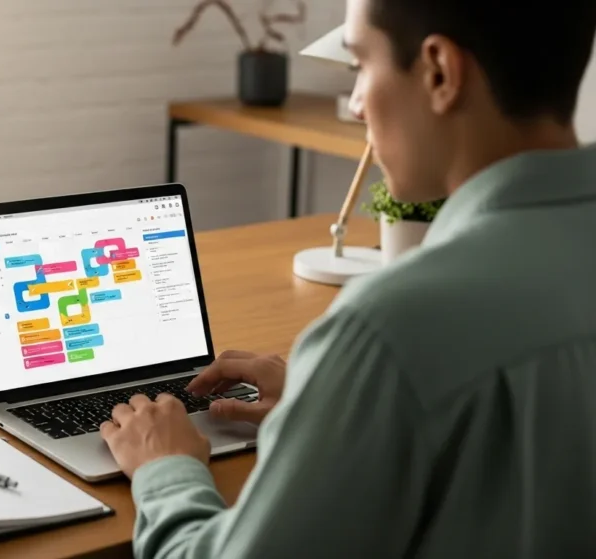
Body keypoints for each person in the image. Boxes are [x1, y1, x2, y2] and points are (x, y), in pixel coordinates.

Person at [98, 0, 596, 556]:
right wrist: (338, 401)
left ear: (439, 73)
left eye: (359, 64)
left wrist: (165, 467)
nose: (356, 105)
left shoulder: (388, 329)